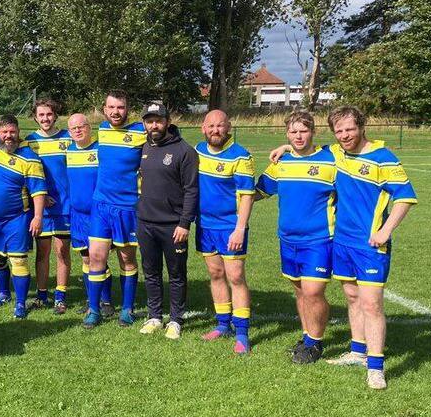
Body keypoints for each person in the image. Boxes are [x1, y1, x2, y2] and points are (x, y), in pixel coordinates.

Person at [271, 106, 416, 389]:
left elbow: (405, 197)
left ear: (362, 127)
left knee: (372, 303)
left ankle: (376, 366)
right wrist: (287, 145)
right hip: (342, 241)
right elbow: (309, 147)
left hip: (371, 243)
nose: (345, 135)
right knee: (351, 296)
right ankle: (358, 351)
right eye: (339, 131)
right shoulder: (337, 154)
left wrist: (385, 231)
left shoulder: (383, 157)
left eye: (350, 129)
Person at [256, 111, 336, 364]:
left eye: (303, 131)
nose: (299, 136)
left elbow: (351, 150)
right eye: (293, 132)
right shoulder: (281, 163)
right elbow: (259, 191)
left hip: (319, 239)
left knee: (313, 292)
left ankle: (315, 344)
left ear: (313, 131)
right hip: (288, 239)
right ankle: (306, 336)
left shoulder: (331, 159)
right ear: (287, 134)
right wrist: (228, 197)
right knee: (300, 291)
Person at [134, 103, 199, 340]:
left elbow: (192, 190)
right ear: (144, 123)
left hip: (173, 226)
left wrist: (184, 223)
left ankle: (176, 319)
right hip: (145, 223)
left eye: (158, 120)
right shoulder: (142, 148)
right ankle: (154, 316)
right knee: (151, 272)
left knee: (176, 274)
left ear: (167, 121)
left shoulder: (184, 151)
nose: (154, 125)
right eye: (149, 121)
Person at [195, 110, 256, 354]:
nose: (215, 130)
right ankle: (222, 325)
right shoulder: (198, 151)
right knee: (215, 273)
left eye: (220, 126)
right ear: (203, 128)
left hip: (230, 227)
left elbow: (247, 196)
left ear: (228, 127)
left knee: (236, 276)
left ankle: (242, 333)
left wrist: (240, 229)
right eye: (211, 126)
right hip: (205, 225)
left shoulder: (240, 156)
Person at [0, 114, 47, 319]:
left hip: (17, 218)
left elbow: (39, 191)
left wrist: (38, 217)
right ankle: (3, 293)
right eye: (4, 132)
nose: (8, 136)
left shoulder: (29, 157)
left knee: (18, 262)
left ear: (18, 132)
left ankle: (21, 303)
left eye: (12, 132)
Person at [88, 90, 142, 326]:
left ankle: (127, 309)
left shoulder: (140, 132)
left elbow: (169, 137)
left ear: (127, 109)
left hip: (128, 207)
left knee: (127, 258)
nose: (115, 112)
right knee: (96, 257)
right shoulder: (100, 129)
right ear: (104, 109)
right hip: (100, 205)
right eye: (111, 107)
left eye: (120, 107)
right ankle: (94, 310)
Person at [24, 99, 72, 314]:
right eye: (41, 115)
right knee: (42, 253)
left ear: (55, 115)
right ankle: (42, 295)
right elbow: (25, 174)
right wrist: (41, 197)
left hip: (65, 206)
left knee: (62, 251)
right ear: (35, 117)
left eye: (49, 114)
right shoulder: (29, 142)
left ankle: (60, 296)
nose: (45, 118)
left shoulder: (68, 138)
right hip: (41, 207)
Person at [64, 113, 110, 328]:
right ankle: (92, 300)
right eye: (73, 128)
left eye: (81, 126)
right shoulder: (68, 151)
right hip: (77, 215)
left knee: (98, 257)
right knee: (85, 258)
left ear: (89, 127)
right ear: (69, 131)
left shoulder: (101, 149)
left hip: (97, 214)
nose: (78, 131)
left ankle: (106, 300)